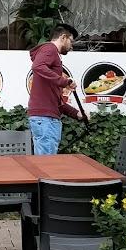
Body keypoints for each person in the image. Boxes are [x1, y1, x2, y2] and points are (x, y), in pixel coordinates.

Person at [28, 22, 82, 155]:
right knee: (47, 164)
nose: (71, 46)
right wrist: (64, 81)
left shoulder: (51, 53)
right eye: (71, 41)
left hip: (46, 118)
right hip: (45, 119)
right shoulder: (50, 49)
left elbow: (54, 99)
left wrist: (76, 113)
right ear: (63, 37)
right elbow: (37, 66)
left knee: (46, 162)